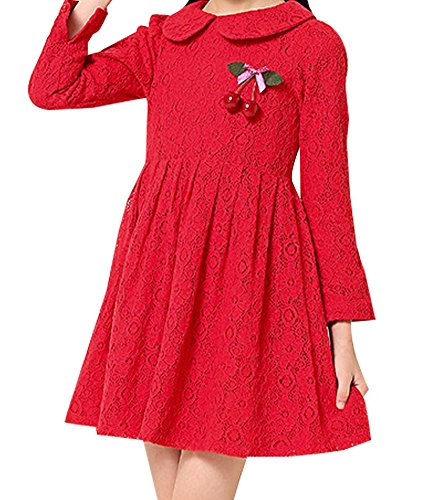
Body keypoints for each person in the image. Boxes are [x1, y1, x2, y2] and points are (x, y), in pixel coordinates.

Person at [28, 0, 376, 498]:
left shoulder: (312, 44)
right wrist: (88, 6)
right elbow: (53, 88)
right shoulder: (168, 38)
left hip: (244, 283)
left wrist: (341, 328)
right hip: (162, 274)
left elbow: (328, 192)